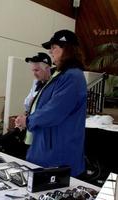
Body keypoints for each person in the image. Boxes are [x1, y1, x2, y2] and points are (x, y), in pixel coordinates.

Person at [15, 30, 87, 177]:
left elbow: (54, 111)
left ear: (67, 49)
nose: (50, 51)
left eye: (54, 47)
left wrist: (28, 120)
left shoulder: (72, 77)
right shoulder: (62, 75)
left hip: (58, 152)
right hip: (47, 146)